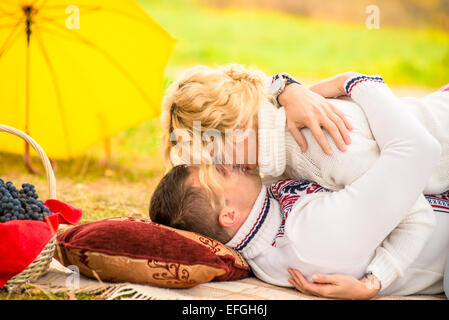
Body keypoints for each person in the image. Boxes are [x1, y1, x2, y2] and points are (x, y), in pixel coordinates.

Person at [160, 66, 449, 297]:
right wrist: (285, 86)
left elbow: (416, 211)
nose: (221, 167)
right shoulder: (274, 145)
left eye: (215, 155)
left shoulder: (319, 144)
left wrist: (376, 281)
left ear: (238, 127)